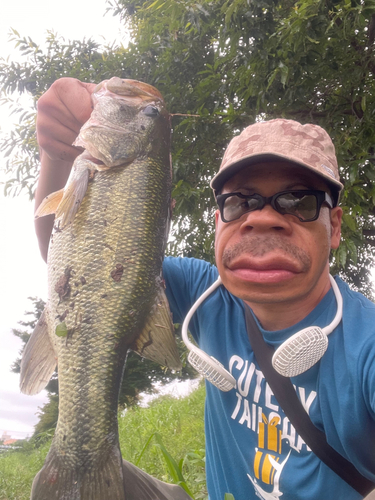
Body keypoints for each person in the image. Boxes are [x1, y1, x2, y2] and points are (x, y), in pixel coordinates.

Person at [34, 78, 375, 500]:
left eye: (299, 201)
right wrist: (55, 156)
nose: (262, 218)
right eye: (240, 201)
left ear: (335, 226)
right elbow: (79, 271)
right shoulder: (206, 293)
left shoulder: (368, 346)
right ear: (219, 223)